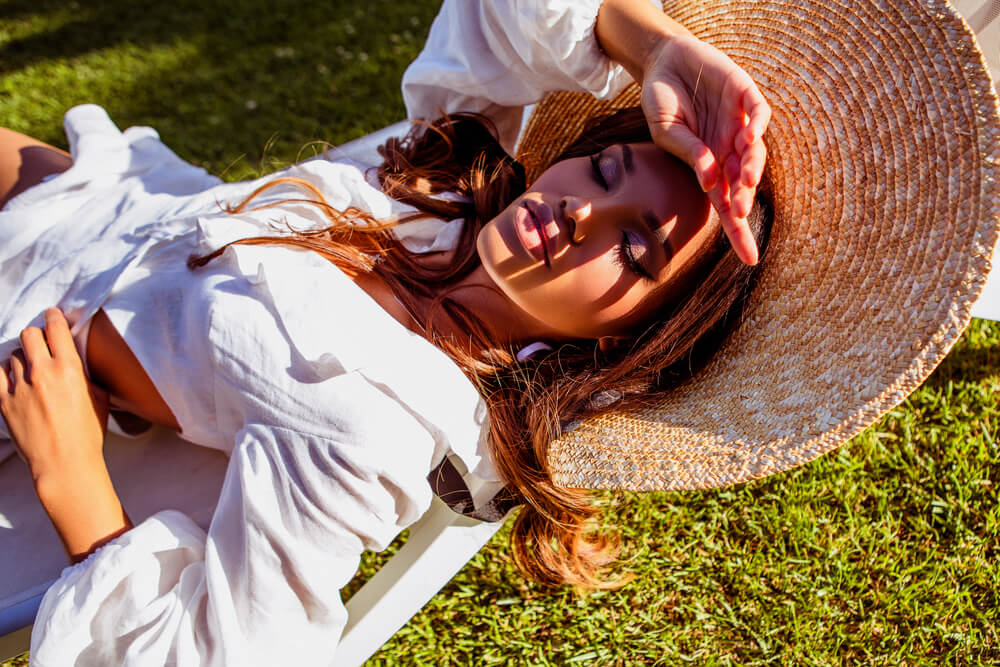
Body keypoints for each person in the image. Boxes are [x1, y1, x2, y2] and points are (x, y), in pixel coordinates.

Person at [0, 0, 774, 664]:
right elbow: (497, 17)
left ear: (624, 342)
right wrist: (655, 46)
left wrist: (70, 475)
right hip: (97, 211)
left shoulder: (365, 424)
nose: (580, 213)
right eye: (605, 171)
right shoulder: (451, 191)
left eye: (634, 249)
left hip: (26, 332)